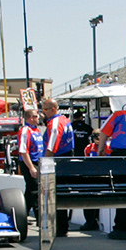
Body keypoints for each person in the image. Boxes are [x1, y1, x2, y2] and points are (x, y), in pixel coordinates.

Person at [101, 94, 126, 239]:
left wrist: (101, 150)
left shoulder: (119, 114)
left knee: (120, 190)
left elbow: (104, 132)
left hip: (119, 155)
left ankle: (122, 228)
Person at [42, 96, 75, 236]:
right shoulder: (65, 120)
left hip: (59, 160)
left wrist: (45, 163)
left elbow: (52, 145)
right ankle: (61, 226)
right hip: (66, 159)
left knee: (56, 194)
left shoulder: (56, 122)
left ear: (53, 109)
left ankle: (60, 228)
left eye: (45, 109)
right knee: (61, 193)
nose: (43, 112)